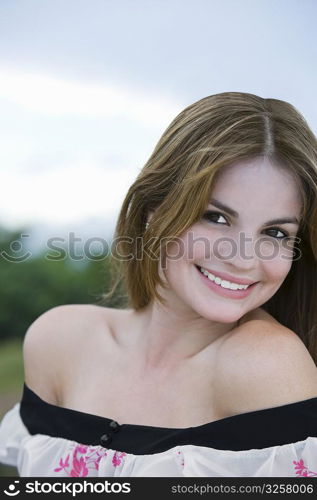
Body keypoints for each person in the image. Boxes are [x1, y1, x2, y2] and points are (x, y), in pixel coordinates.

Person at [1, 92, 317, 477]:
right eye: (216, 218)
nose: (244, 259)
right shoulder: (57, 342)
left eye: (276, 232)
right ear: (154, 208)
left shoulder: (266, 365)